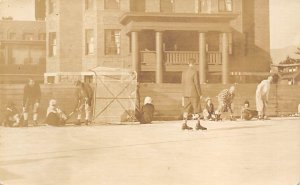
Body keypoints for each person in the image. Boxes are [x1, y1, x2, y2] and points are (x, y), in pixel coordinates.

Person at [181, 58, 207, 130]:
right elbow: (197, 84)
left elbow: (183, 84)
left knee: (186, 110)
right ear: (194, 63)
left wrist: (183, 94)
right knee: (197, 109)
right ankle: (197, 124)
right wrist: (200, 94)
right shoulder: (194, 72)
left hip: (186, 94)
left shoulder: (184, 72)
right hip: (194, 94)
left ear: (188, 63)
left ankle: (184, 124)